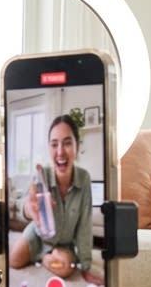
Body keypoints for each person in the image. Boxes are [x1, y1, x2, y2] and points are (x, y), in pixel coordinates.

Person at [9, 114, 93, 278]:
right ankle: (44, 256)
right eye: (54, 144)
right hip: (38, 235)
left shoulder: (84, 179)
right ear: (49, 149)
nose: (60, 151)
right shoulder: (42, 175)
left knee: (66, 268)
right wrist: (28, 208)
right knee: (14, 259)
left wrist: (86, 266)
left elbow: (85, 226)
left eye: (67, 143)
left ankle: (45, 259)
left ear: (77, 146)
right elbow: (23, 206)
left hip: (65, 244)